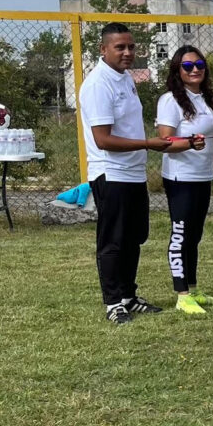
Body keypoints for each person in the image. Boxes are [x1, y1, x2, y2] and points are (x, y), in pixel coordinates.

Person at [78, 22, 172, 325]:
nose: (128, 52)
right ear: (103, 49)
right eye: (120, 47)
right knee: (113, 241)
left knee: (134, 238)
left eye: (131, 46)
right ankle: (113, 302)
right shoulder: (97, 84)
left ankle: (129, 296)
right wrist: (149, 143)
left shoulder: (125, 79)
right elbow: (103, 140)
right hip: (111, 173)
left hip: (133, 173)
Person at [156, 45, 213, 316]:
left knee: (195, 236)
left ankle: (194, 288)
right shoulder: (170, 100)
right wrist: (187, 144)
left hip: (202, 175)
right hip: (180, 177)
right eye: (187, 66)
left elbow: (211, 138)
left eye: (199, 65)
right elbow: (165, 141)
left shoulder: (206, 98)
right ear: (177, 70)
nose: (195, 69)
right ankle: (181, 293)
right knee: (181, 235)